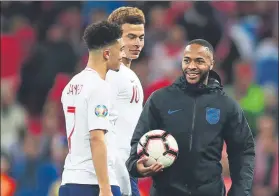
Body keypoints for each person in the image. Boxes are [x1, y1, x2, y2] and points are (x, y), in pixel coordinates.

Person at [126, 39, 255, 196]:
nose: (191, 66)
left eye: (199, 60)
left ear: (211, 63)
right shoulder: (160, 99)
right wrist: (135, 166)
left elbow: (242, 150)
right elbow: (138, 140)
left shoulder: (226, 104)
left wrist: (240, 191)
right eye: (187, 60)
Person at [59, 21, 125, 196]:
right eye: (120, 49)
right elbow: (96, 138)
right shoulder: (99, 87)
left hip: (69, 181)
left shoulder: (71, 85)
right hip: (93, 183)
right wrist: (105, 187)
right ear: (106, 53)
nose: (122, 55)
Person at [105, 6, 145, 196]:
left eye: (141, 37)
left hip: (127, 169)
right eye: (131, 37)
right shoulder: (111, 74)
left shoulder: (129, 75)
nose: (137, 43)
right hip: (113, 172)